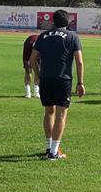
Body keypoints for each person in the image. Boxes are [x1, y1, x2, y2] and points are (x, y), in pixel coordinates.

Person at [28, 10, 85, 160]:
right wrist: (80, 82)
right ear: (68, 22)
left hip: (46, 79)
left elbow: (32, 59)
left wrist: (38, 75)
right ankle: (53, 152)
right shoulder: (73, 36)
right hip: (63, 79)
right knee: (61, 114)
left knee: (49, 112)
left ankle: (49, 147)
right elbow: (79, 62)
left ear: (53, 22)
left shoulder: (43, 36)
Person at [22, 33, 40, 99]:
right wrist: (28, 70)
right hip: (28, 49)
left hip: (40, 53)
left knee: (38, 71)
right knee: (28, 71)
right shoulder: (28, 45)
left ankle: (36, 92)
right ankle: (28, 92)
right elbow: (27, 61)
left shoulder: (43, 47)